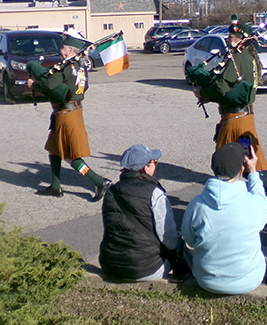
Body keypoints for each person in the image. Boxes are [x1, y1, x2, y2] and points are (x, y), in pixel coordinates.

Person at [190, 21, 267, 221]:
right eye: (229, 36)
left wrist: (203, 93)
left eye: (232, 37)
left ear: (242, 40)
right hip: (241, 117)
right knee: (242, 163)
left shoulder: (238, 57)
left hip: (236, 118)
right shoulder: (244, 57)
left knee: (228, 163)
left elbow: (221, 88)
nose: (228, 39)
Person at [181, 143, 267, 294]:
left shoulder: (197, 204)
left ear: (213, 168)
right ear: (242, 168)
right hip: (248, 281)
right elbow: (264, 206)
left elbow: (189, 239)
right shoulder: (254, 203)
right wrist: (253, 173)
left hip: (206, 280)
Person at [26, 34, 111, 201]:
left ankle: (100, 181)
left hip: (66, 114)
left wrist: (33, 84)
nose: (61, 50)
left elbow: (50, 84)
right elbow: (84, 87)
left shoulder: (66, 66)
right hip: (72, 111)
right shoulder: (80, 65)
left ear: (70, 50)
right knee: (54, 150)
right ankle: (55, 186)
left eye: (63, 48)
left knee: (71, 157)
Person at [99, 144, 186, 282]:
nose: (156, 165)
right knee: (181, 242)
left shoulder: (111, 192)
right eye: (154, 162)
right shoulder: (155, 194)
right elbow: (168, 239)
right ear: (146, 167)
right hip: (145, 269)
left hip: (110, 265)